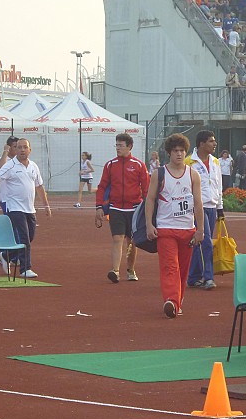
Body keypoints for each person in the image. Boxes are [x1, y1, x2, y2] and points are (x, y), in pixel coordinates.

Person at [145, 133, 203, 318]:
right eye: (175, 151)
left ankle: (177, 301)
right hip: (165, 228)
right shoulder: (158, 174)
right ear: (169, 153)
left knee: (183, 269)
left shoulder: (193, 175)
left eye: (182, 151)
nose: (179, 154)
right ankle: (170, 300)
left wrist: (200, 229)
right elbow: (150, 200)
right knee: (170, 266)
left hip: (187, 229)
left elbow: (199, 203)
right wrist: (148, 224)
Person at [0, 138, 51, 278]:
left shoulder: (33, 166)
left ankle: (6, 255)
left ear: (30, 150)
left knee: (29, 236)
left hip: (29, 208)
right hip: (14, 207)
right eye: (19, 147)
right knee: (24, 237)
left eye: (25, 147)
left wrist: (46, 205)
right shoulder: (10, 165)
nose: (22, 150)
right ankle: (25, 269)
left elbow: (39, 186)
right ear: (15, 149)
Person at [95, 133, 150, 283]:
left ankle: (130, 269)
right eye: (116, 145)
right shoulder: (110, 165)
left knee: (132, 241)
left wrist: (148, 208)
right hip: (116, 208)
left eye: (121, 145)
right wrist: (99, 206)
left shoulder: (139, 165)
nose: (117, 148)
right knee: (117, 238)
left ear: (129, 146)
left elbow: (146, 188)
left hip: (134, 209)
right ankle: (115, 271)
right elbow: (102, 186)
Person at [185, 130, 224, 290]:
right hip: (197, 207)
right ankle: (208, 277)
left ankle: (193, 277)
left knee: (198, 243)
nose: (214, 144)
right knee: (206, 241)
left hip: (212, 206)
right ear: (201, 144)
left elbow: (218, 184)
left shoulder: (215, 161)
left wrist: (220, 207)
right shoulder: (189, 162)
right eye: (211, 141)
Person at [0, 136, 19, 264]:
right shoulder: (3, 159)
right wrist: (5, 152)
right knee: (13, 228)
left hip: (18, 201)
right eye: (15, 147)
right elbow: (1, 168)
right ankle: (9, 255)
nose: (18, 149)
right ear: (8, 147)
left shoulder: (21, 161)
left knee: (14, 228)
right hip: (7, 200)